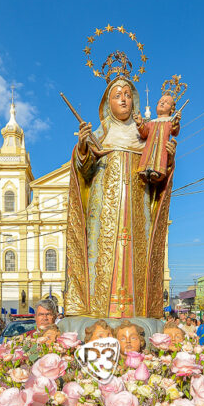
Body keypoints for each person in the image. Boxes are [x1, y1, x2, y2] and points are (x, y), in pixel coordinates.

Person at [65, 69, 176, 318]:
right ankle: (96, 310)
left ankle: (141, 311)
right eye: (117, 96)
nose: (123, 100)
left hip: (138, 211)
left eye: (127, 94)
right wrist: (82, 146)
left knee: (137, 257)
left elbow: (158, 178)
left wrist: (168, 159)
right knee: (102, 257)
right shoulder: (99, 136)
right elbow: (84, 171)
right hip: (103, 214)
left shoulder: (147, 138)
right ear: (108, 103)